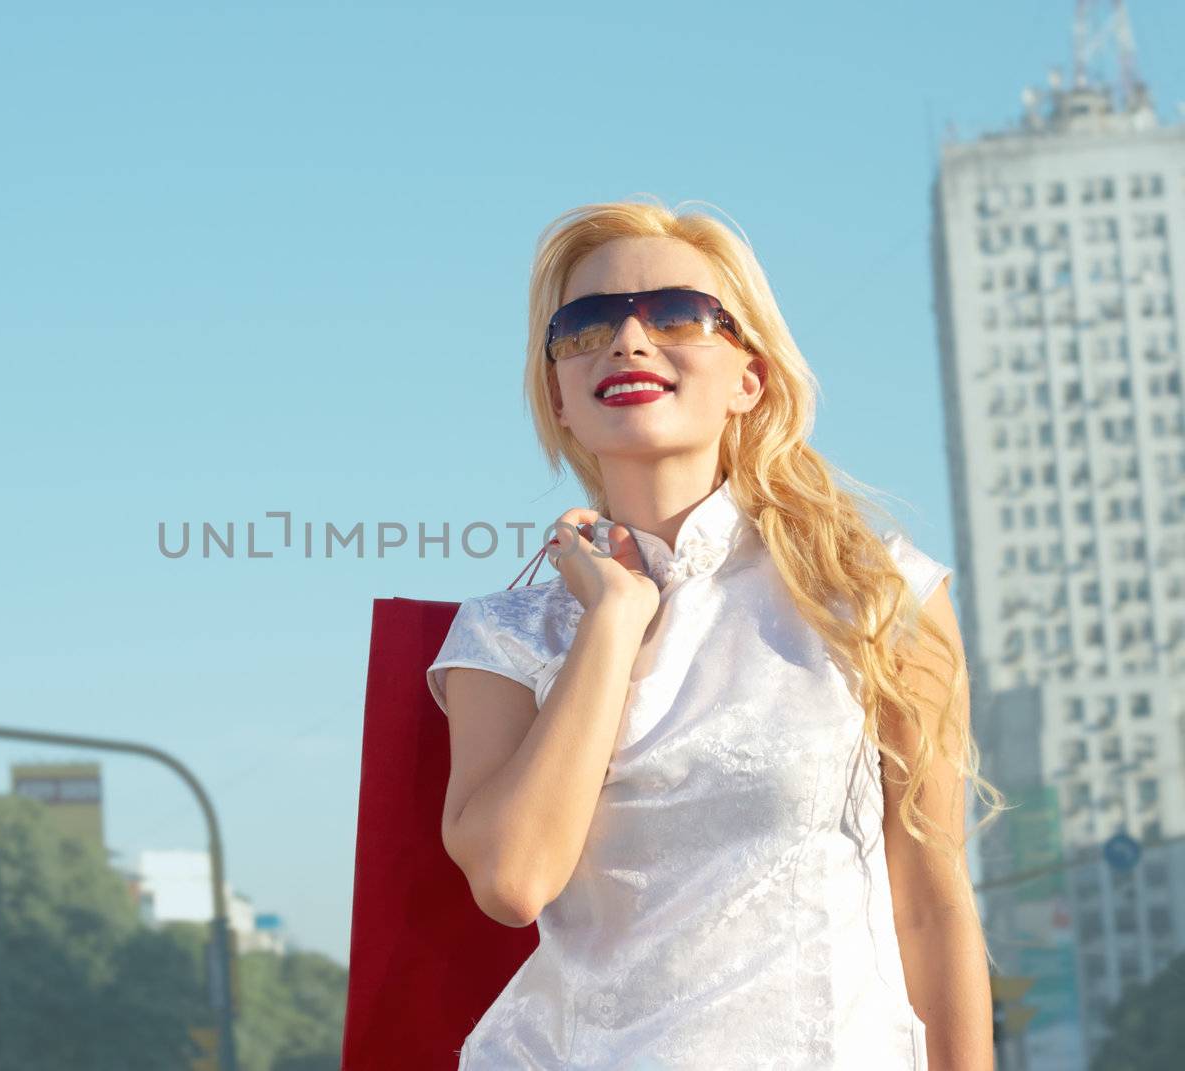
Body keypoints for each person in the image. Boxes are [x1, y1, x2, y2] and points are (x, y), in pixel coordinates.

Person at [425, 198, 1005, 1070]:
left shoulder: (879, 597)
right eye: (585, 326)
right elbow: (513, 880)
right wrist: (614, 621)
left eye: (677, 315)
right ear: (559, 395)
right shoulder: (506, 634)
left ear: (750, 378)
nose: (627, 340)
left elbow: (931, 903)